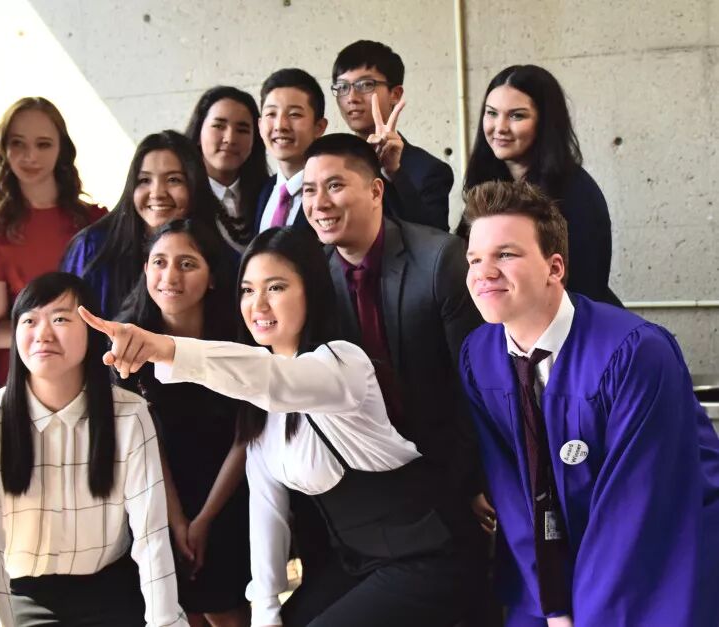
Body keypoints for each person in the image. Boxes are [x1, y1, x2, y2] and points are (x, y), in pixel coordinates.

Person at [81, 227, 469, 627]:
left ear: (311, 291)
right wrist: (266, 613)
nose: (259, 304)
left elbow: (273, 379)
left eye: (276, 287)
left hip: (428, 555)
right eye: (248, 290)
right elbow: (267, 516)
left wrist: (166, 348)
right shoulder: (261, 414)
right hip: (355, 564)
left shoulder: (343, 364)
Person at [460, 180, 719, 627]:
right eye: (474, 259)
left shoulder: (635, 353)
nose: (484, 272)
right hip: (559, 550)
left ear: (554, 267)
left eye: (505, 254)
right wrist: (551, 603)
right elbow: (512, 493)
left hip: (664, 546)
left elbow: (634, 508)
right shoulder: (479, 356)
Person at [302, 133, 500, 625]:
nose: (319, 203)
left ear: (376, 190)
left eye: (334, 186)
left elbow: (479, 389)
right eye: (308, 190)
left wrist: (473, 484)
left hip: (449, 489)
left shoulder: (440, 261)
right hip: (371, 506)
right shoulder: (312, 275)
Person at [0, 272, 187, 627]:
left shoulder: (129, 415)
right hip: (19, 594)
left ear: (93, 332)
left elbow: (151, 537)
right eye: (29, 321)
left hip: (110, 588)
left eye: (60, 319)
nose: (43, 334)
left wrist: (165, 621)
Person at [116, 219, 251, 626]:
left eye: (187, 264)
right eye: (159, 262)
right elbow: (146, 442)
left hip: (233, 491)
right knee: (180, 607)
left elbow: (247, 436)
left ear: (212, 277)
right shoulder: (129, 344)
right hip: (161, 491)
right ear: (145, 270)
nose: (170, 276)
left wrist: (205, 519)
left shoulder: (238, 338)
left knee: (226, 607)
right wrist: (176, 519)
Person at [462, 65, 620, 305]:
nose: (500, 127)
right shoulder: (486, 183)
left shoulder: (577, 194)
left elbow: (585, 291)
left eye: (517, 116)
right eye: (491, 113)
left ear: (545, 122)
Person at [0, 96, 107, 384]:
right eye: (18, 143)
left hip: (87, 368)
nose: (30, 156)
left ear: (61, 148)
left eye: (43, 144)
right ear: (3, 148)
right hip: (23, 372)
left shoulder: (95, 221)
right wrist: (52, 336)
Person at [61, 130, 222, 318]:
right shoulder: (92, 247)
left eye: (173, 180)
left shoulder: (216, 253)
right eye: (144, 180)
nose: (157, 193)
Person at [331, 40, 453, 231]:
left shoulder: (429, 171)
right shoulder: (333, 167)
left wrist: (394, 173)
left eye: (365, 85)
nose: (352, 97)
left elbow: (435, 238)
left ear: (395, 94)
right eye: (342, 87)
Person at [185, 86, 269, 253]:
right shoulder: (182, 198)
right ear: (198, 131)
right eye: (218, 126)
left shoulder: (267, 196)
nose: (230, 139)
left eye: (242, 130)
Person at [254, 69, 327, 233]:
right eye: (271, 114)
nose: (280, 125)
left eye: (294, 114)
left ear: (319, 127)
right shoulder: (263, 191)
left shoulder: (330, 193)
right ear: (260, 125)